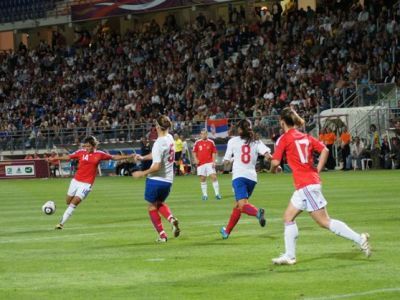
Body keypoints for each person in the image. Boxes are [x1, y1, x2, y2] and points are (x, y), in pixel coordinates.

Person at [270, 108, 371, 265]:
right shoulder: (306, 136)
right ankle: (289, 256)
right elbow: (324, 150)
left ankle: (360, 238)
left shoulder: (284, 138)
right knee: (288, 217)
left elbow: (275, 162)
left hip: (306, 185)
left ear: (282, 121)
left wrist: (272, 169)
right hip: (306, 184)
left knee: (324, 222)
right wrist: (317, 169)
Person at [48, 136, 135, 229]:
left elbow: (114, 157)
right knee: (68, 201)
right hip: (76, 181)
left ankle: (61, 224)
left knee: (74, 203)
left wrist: (129, 156)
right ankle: (52, 205)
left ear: (93, 146)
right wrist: (55, 158)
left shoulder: (99, 154)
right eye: (85, 146)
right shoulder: (80, 152)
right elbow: (68, 157)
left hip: (87, 184)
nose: (86, 148)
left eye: (88, 146)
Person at [220, 119, 271, 239]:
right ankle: (226, 232)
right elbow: (267, 155)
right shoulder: (256, 141)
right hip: (252, 178)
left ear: (240, 130)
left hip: (239, 177)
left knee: (242, 205)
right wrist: (276, 164)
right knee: (238, 206)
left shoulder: (232, 141)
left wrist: (228, 161)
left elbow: (226, 161)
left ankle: (258, 213)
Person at [133, 115, 180, 243]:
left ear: (158, 127)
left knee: (152, 207)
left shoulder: (158, 143)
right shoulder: (170, 138)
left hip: (156, 180)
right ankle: (171, 219)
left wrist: (142, 173)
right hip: (168, 180)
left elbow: (156, 165)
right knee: (159, 203)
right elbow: (157, 155)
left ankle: (162, 235)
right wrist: (142, 158)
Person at [192, 129, 221, 201]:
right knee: (202, 179)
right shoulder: (197, 142)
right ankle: (205, 195)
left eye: (204, 134)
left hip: (209, 162)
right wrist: (195, 159)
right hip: (201, 163)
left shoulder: (211, 142)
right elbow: (194, 152)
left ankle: (217, 194)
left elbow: (214, 152)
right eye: (202, 134)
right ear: (200, 135)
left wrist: (214, 161)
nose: (203, 135)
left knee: (214, 177)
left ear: (207, 134)